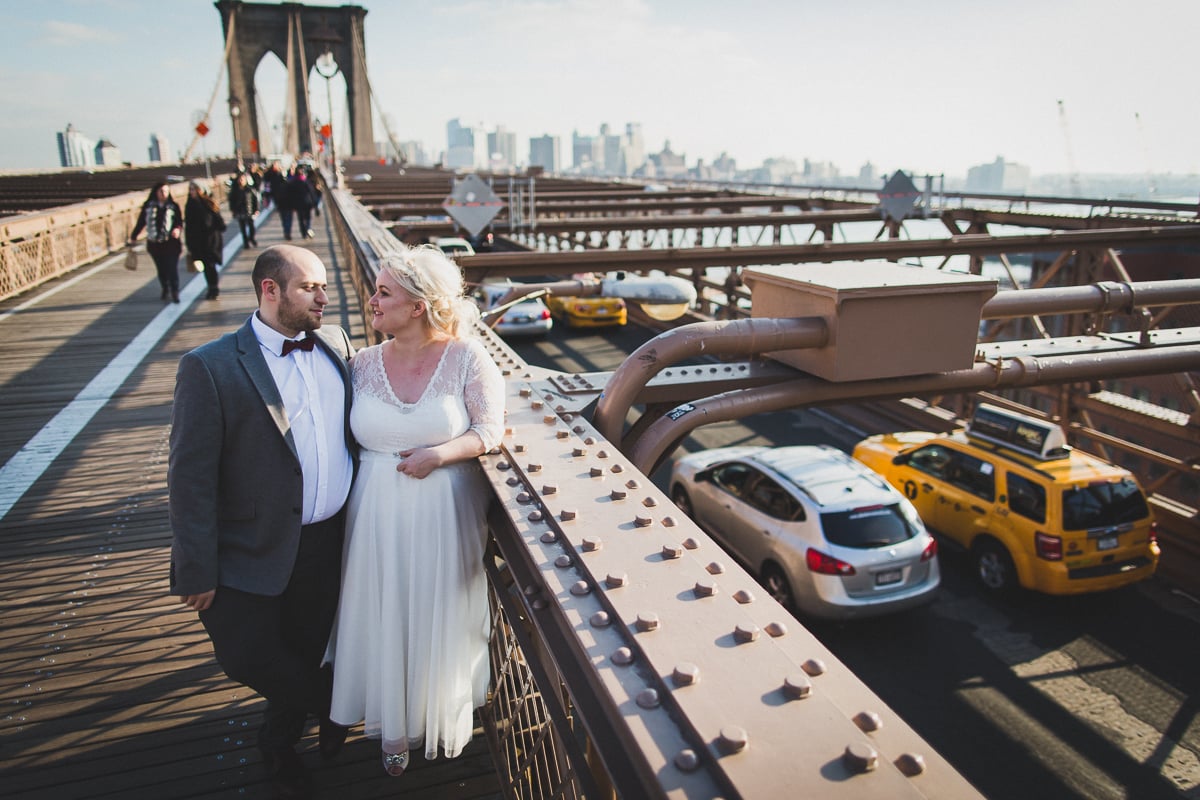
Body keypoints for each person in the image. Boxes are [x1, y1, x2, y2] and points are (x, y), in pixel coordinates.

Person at [168, 244, 356, 798]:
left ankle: (278, 744)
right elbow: (189, 477)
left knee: (301, 647)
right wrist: (195, 567)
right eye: (310, 287)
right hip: (248, 546)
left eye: (325, 285)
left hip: (328, 539)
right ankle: (335, 705)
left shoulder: (338, 346)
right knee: (245, 654)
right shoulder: (209, 366)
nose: (324, 297)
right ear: (269, 290)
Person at [325, 244, 505, 777]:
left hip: (441, 514)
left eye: (384, 292)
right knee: (382, 611)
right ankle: (392, 730)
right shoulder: (359, 363)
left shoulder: (468, 357)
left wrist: (440, 454)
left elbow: (489, 430)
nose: (372, 300)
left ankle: (428, 715)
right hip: (372, 514)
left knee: (433, 614)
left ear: (418, 306)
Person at [127, 180, 184, 302]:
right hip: (155, 244)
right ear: (156, 192)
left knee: (172, 268)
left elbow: (179, 221)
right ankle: (165, 287)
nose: (164, 194)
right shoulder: (148, 207)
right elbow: (141, 222)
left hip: (171, 243)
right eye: (161, 191)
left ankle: (175, 291)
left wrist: (177, 229)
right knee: (161, 269)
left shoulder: (173, 206)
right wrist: (133, 236)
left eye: (166, 191)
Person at [184, 180, 228, 300]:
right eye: (190, 189)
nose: (191, 192)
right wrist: (188, 243)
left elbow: (219, 222)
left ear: (200, 190)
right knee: (204, 266)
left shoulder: (209, 203)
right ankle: (211, 287)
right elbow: (188, 226)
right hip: (197, 242)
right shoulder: (190, 205)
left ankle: (214, 288)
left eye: (194, 189)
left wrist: (215, 227)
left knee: (210, 265)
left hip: (211, 241)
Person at [228, 170, 260, 250]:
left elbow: (255, 200)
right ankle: (246, 243)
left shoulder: (250, 189)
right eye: (240, 179)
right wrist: (233, 210)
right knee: (243, 229)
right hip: (240, 212)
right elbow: (231, 201)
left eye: (242, 179)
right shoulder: (235, 190)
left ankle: (251, 238)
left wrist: (256, 209)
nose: (241, 181)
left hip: (249, 211)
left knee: (252, 227)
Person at [287, 168, 320, 239]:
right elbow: (312, 192)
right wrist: (315, 203)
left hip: (298, 204)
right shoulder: (306, 181)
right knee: (308, 218)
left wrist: (291, 204)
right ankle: (308, 228)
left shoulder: (293, 182)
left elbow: (290, 194)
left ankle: (303, 233)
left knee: (301, 219)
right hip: (307, 203)